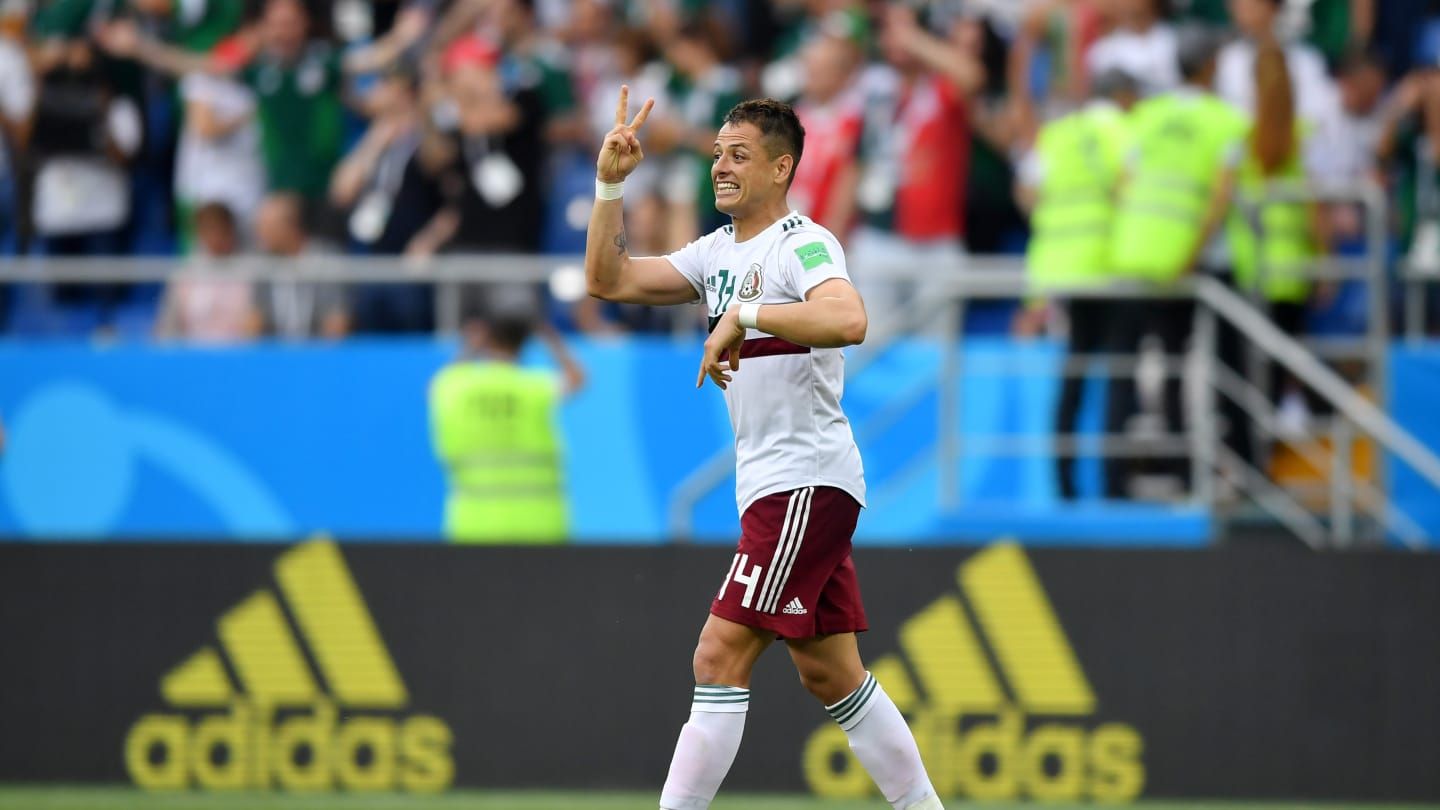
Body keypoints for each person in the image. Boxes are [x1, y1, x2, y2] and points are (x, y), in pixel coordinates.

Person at [584, 87, 943, 810]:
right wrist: (610, 185)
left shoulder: (802, 243)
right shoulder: (715, 253)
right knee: (830, 672)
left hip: (804, 481)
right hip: (784, 485)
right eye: (717, 153)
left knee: (717, 656)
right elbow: (609, 279)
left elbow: (849, 318)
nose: (720, 166)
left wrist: (742, 315)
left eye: (739, 155)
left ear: (781, 170)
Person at [1107, 28, 1248, 497]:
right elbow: (1221, 198)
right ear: (1209, 65)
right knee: (1193, 367)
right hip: (1184, 263)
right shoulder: (1225, 120)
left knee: (1133, 367)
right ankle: (1200, 474)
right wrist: (1187, 256)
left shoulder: (1146, 115)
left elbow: (1123, 182)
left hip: (1132, 255)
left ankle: (1121, 481)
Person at [1015, 69, 1139, 500]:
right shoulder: (1123, 129)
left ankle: (1064, 484)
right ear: (1124, 97)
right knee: (1121, 373)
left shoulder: (1057, 133)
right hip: (1111, 267)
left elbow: (1027, 192)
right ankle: (1114, 485)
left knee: (1075, 372)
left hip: (1061, 269)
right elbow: (1132, 188)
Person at [1224, 42, 1325, 441]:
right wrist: (1323, 260)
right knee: (1280, 369)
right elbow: (1316, 209)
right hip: (1292, 267)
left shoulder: (1239, 137)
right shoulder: (1302, 136)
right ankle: (1266, 454)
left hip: (1251, 266)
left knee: (1250, 374)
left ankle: (1253, 459)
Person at [428, 308, 584, 543]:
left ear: (485, 341)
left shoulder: (457, 388)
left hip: (474, 525)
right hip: (539, 525)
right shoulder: (533, 388)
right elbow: (577, 379)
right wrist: (551, 340)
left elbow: (440, 383)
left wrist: (471, 345)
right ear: (523, 344)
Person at [154, 202, 261, 342]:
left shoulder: (253, 271)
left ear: (231, 231)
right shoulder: (185, 274)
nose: (215, 238)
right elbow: (166, 329)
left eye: (220, 230)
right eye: (208, 230)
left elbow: (256, 326)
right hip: (192, 358)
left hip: (239, 357)